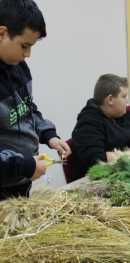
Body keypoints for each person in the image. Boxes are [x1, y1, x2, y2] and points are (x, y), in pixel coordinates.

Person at [0, 0, 71, 201]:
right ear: (2, 34)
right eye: (25, 45)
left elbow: (27, 109)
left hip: (20, 182)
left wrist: (48, 135)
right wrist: (26, 166)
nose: (28, 54)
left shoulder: (18, 65)